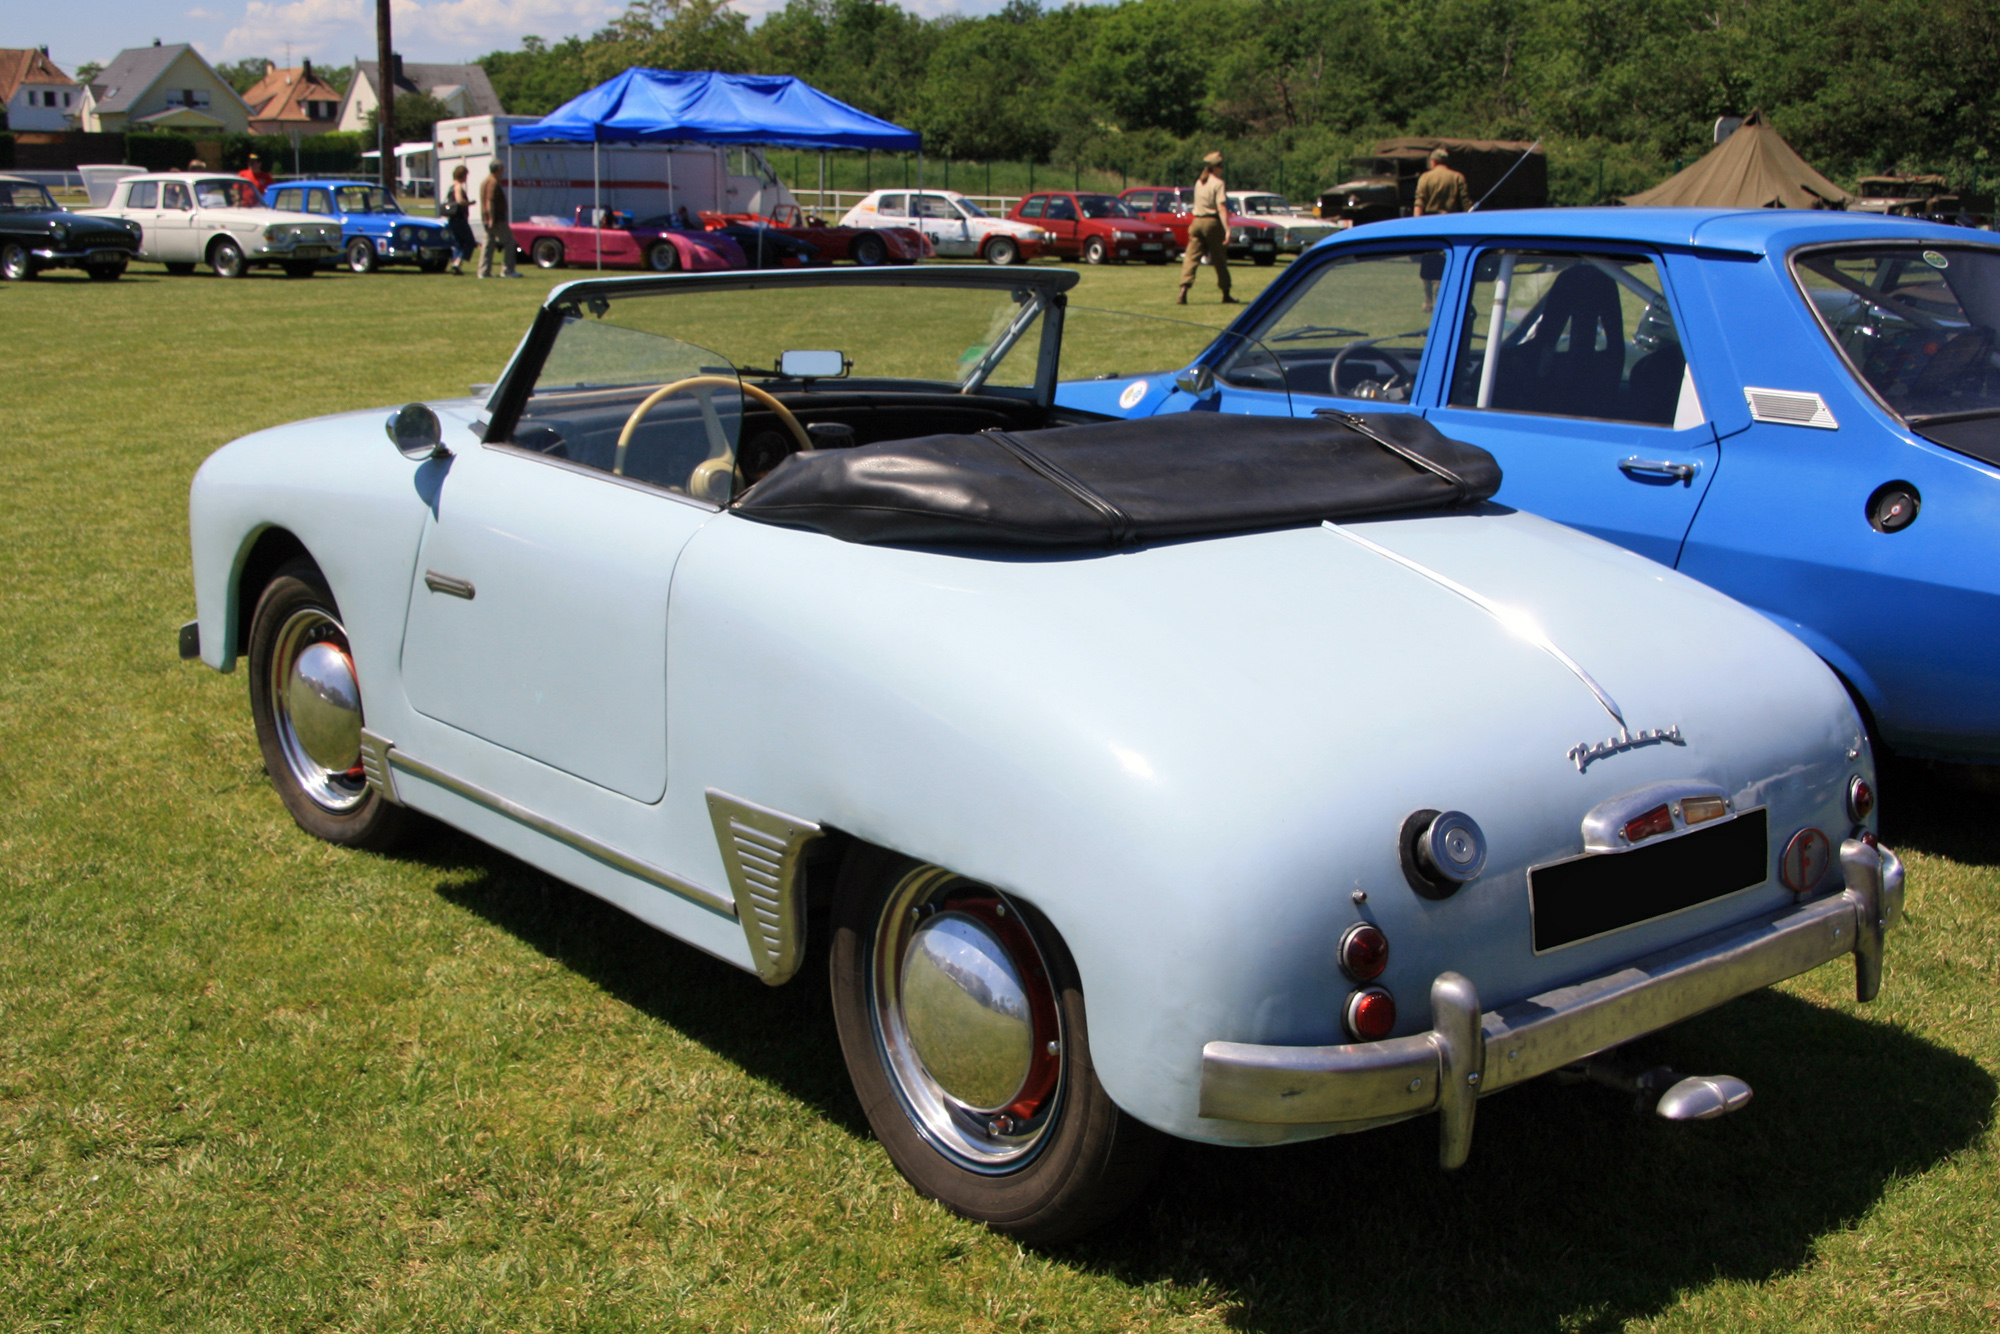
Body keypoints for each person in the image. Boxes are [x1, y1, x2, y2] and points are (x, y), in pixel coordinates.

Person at [1412, 147, 1469, 311]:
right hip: (1450, 225)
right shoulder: (1457, 177)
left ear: (1434, 161)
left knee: (1428, 264)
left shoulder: (1425, 178)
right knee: (1446, 263)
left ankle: (1428, 301)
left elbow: (1419, 202)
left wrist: (1416, 226)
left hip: (1429, 225)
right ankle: (1440, 299)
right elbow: (1465, 204)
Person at [1178, 151, 1235, 305]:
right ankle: (1226, 293)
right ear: (1215, 167)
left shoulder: (1200, 182)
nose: (1222, 168)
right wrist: (1228, 229)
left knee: (1191, 258)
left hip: (1196, 222)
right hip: (1212, 223)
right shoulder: (1218, 183)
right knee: (1219, 259)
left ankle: (1184, 289)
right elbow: (1221, 207)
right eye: (1220, 165)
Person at [477, 159, 521, 279]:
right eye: (502, 169)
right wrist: (492, 218)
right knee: (509, 242)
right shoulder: (493, 183)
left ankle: (484, 272)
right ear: (498, 170)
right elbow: (489, 201)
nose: (503, 172)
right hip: (496, 220)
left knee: (488, 244)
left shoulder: (485, 182)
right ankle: (508, 270)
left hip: (485, 219)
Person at [441, 163, 476, 275]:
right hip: (460, 219)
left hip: (452, 220)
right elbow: (460, 201)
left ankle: (456, 265)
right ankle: (457, 262)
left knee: (458, 243)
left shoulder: (450, 186)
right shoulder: (458, 186)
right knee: (470, 242)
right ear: (462, 175)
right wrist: (469, 203)